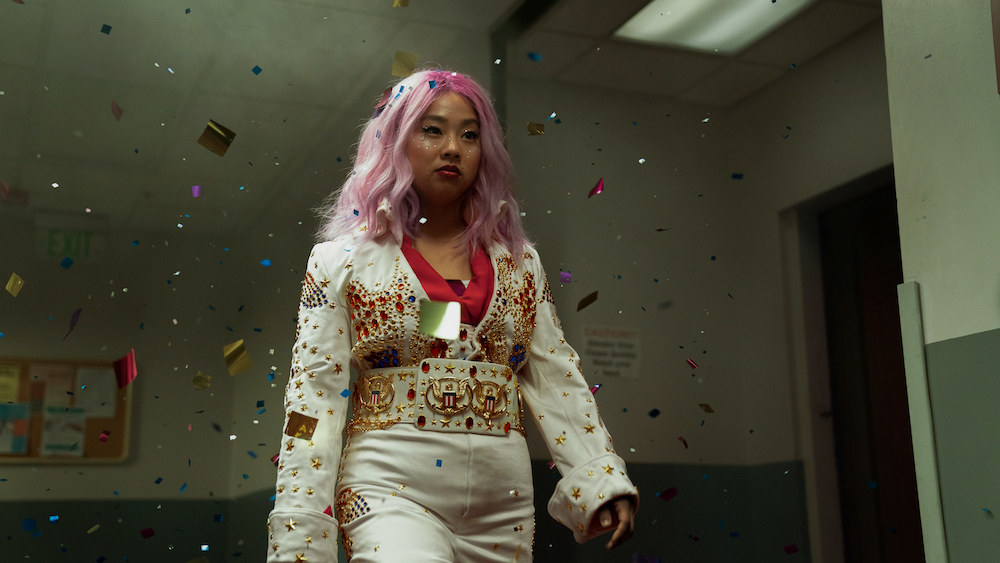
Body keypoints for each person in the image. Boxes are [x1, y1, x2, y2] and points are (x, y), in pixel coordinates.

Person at [267, 68, 638, 562]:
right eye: (433, 129)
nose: (453, 148)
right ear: (395, 140)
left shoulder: (519, 261)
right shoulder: (341, 262)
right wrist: (300, 538)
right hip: (388, 486)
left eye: (470, 135)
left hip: (502, 500)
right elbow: (313, 402)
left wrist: (600, 480)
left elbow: (553, 373)